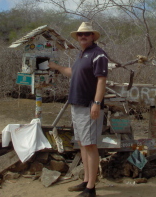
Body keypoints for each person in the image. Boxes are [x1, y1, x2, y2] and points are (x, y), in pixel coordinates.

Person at [49, 22, 108, 197]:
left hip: (89, 105)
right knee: (83, 143)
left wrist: (96, 103)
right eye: (81, 35)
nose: (83, 37)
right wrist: (56, 67)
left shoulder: (98, 55)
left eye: (87, 34)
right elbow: (73, 73)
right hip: (77, 104)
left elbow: (101, 80)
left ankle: (91, 188)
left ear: (92, 36)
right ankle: (85, 181)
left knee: (90, 145)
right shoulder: (82, 54)